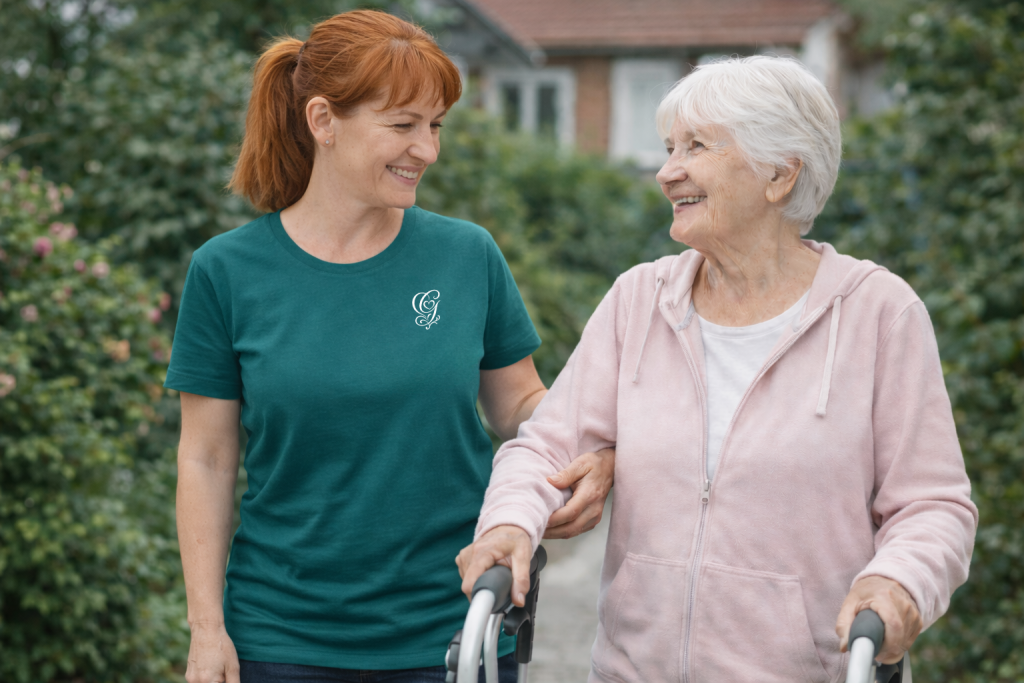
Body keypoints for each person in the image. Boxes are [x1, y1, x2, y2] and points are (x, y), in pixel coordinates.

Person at [457, 55, 978, 681]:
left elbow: (933, 505)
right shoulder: (639, 300)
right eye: (669, 148)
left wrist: (899, 583)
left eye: (696, 147)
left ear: (780, 175)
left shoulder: (878, 314)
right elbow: (545, 447)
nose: (666, 172)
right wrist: (510, 524)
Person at [167, 10, 613, 683]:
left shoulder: (466, 255)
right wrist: (207, 629)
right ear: (324, 121)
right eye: (403, 125)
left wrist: (594, 446)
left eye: (434, 126)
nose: (427, 150)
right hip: (281, 638)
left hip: (455, 627)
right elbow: (205, 457)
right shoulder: (226, 272)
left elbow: (521, 403)